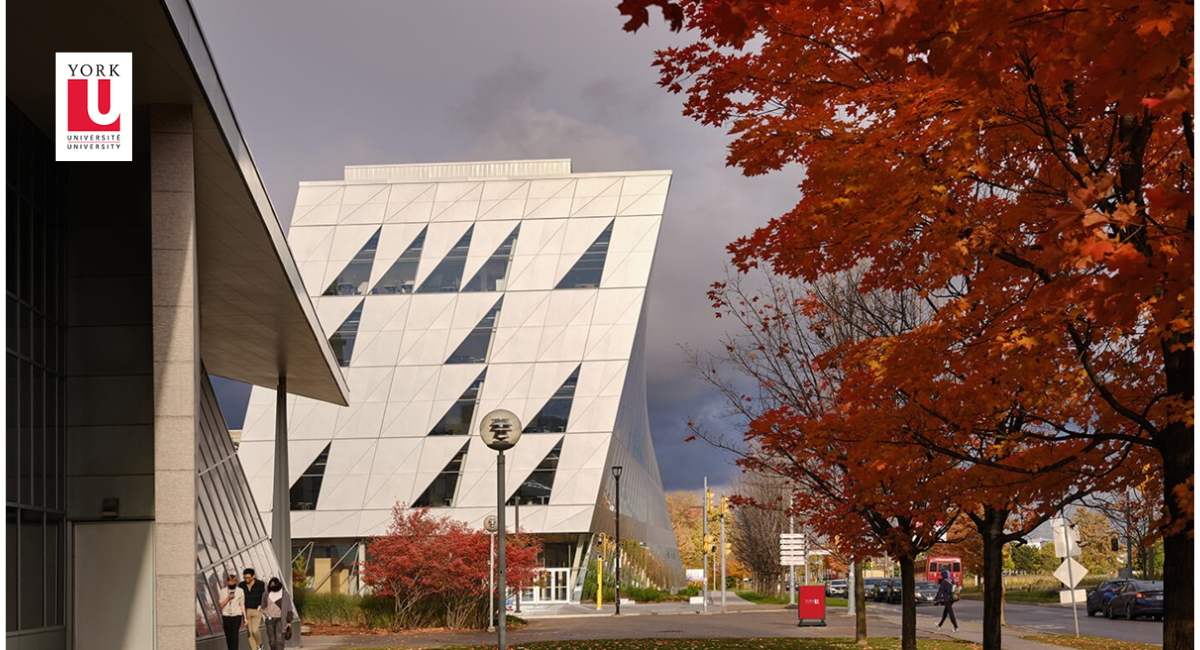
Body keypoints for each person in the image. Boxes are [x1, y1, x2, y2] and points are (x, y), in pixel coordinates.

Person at [261, 577, 294, 650]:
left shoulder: (284, 594)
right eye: (271, 584)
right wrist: (266, 612)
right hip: (269, 619)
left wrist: (289, 621)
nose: (272, 586)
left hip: (280, 619)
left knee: (279, 640)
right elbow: (263, 606)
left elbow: (289, 607)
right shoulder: (266, 594)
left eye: (274, 584)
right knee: (272, 641)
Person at [239, 568, 266, 649]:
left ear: (253, 576)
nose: (246, 579)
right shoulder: (241, 585)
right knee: (249, 633)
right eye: (245, 578)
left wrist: (260, 606)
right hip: (246, 611)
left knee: (255, 630)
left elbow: (263, 596)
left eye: (248, 578)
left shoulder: (260, 584)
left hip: (256, 610)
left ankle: (260, 645)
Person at [218, 573, 245, 650]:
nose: (232, 583)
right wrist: (228, 598)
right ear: (227, 582)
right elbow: (221, 605)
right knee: (228, 636)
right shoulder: (223, 591)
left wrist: (245, 617)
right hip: (226, 616)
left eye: (234, 582)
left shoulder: (240, 591)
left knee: (235, 635)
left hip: (237, 615)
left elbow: (242, 604)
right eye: (231, 582)